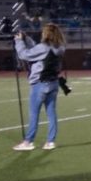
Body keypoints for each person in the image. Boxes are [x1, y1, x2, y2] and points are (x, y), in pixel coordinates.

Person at [12, 23, 67, 151]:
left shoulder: (43, 47)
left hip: (40, 84)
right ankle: (50, 141)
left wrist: (19, 41)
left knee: (34, 114)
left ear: (46, 33)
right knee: (51, 113)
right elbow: (36, 49)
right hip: (53, 83)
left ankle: (28, 142)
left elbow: (24, 55)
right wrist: (26, 39)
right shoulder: (60, 47)